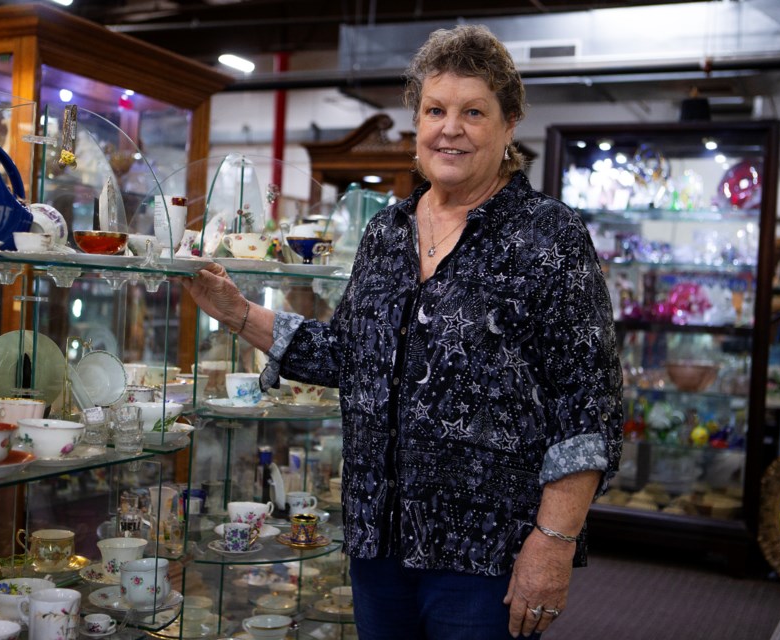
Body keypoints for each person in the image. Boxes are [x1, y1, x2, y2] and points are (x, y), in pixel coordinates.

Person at [184, 24, 623, 640]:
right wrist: (235, 311)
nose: (451, 128)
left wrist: (552, 543)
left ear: (509, 124)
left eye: (474, 111)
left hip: (485, 552)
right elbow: (348, 355)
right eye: (435, 110)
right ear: (416, 121)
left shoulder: (550, 237)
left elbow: (588, 410)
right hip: (377, 540)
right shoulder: (386, 233)